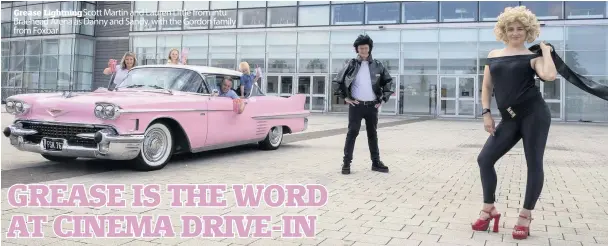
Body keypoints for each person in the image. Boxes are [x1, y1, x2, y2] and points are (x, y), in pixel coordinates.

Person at [471, 6, 557, 240]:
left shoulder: (533, 58)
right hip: (509, 118)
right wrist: (486, 113)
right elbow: (487, 87)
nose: (515, 32)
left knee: (534, 163)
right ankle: (489, 209)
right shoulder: (494, 55)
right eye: (511, 28)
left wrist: (546, 51)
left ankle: (525, 216)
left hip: (534, 115)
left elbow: (549, 76)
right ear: (504, 31)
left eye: (520, 28)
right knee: (485, 159)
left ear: (527, 31)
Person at [333, 34, 393, 175]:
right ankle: (346, 163)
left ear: (370, 48)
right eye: (361, 48)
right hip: (356, 106)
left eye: (366, 48)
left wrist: (383, 99)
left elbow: (388, 82)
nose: (364, 51)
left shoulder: (378, 65)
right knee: (352, 133)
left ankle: (376, 162)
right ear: (357, 49)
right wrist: (345, 98)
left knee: (373, 134)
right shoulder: (351, 64)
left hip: (372, 106)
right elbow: (337, 82)